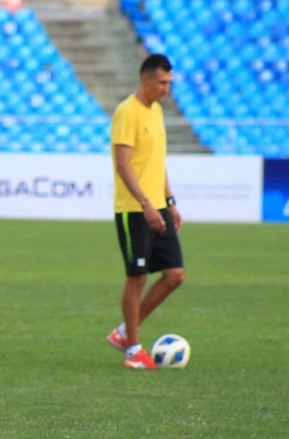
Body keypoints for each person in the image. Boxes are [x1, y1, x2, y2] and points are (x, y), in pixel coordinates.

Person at [106, 53, 185, 369]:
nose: (166, 89)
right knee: (137, 277)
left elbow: (157, 162)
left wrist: (170, 201)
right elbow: (123, 166)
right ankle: (134, 351)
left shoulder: (157, 111)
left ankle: (125, 332)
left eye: (169, 83)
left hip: (158, 206)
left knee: (175, 275)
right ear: (145, 80)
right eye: (162, 82)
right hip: (134, 209)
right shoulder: (127, 112)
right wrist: (145, 204)